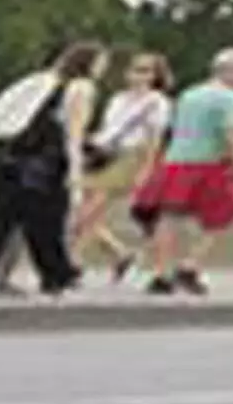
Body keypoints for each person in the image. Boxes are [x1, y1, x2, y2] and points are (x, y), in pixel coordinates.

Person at [0, 41, 102, 296]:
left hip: (9, 160)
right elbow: (73, 133)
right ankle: (57, 275)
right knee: (47, 222)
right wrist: (76, 172)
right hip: (44, 165)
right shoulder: (81, 87)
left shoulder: (37, 81)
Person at [131, 50, 233, 297]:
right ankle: (190, 263)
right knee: (226, 210)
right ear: (228, 71)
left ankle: (161, 272)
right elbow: (230, 135)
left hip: (176, 159)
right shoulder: (230, 99)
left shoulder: (190, 94)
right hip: (209, 162)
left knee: (168, 215)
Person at [69, 51, 169, 283]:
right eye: (136, 69)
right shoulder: (118, 98)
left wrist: (146, 169)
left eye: (146, 71)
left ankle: (73, 261)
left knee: (89, 212)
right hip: (104, 154)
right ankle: (120, 254)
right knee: (84, 211)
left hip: (131, 156)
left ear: (156, 76)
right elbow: (108, 128)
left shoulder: (157, 102)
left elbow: (155, 138)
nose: (139, 76)